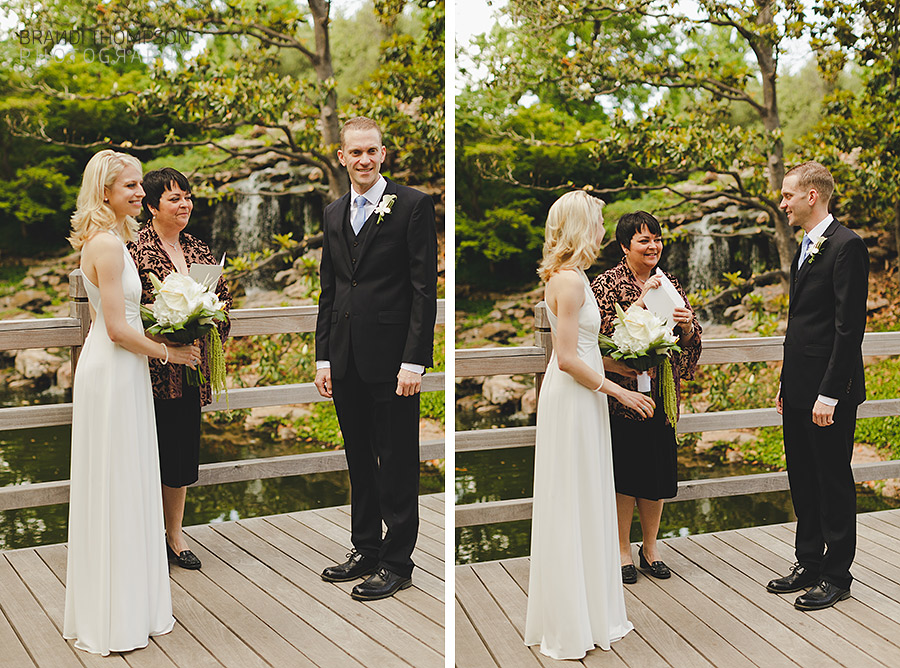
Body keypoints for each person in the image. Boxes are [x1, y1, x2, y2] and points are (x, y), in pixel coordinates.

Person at [64, 150, 199, 655]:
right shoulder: (106, 244)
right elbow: (119, 329)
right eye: (131, 187)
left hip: (125, 372)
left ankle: (129, 605)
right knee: (117, 483)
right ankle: (113, 616)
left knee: (127, 481)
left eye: (141, 186)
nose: (140, 194)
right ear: (105, 192)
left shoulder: (116, 239)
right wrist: (171, 352)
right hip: (114, 371)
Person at [524, 191, 655, 660]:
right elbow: (564, 359)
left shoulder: (574, 275)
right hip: (575, 400)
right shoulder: (570, 282)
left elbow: (585, 351)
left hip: (587, 397)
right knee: (572, 500)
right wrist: (620, 392)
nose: (602, 231)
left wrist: (626, 367)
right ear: (582, 227)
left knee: (586, 498)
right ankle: (571, 621)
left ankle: (591, 611)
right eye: (597, 223)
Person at [314, 117, 438, 601]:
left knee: (398, 461)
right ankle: (365, 548)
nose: (363, 159)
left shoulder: (412, 205)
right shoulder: (332, 213)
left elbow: (423, 291)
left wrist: (414, 361)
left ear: (382, 153)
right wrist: (323, 358)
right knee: (359, 458)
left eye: (371, 151)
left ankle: (397, 562)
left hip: (392, 364)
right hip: (344, 359)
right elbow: (330, 290)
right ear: (341, 157)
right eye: (354, 152)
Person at [767, 161, 868, 611]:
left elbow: (848, 330)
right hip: (799, 387)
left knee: (832, 480)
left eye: (788, 195)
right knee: (802, 478)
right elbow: (803, 325)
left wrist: (829, 391)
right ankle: (808, 562)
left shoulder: (847, 246)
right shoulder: (805, 246)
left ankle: (836, 574)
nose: (782, 202)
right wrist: (788, 383)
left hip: (831, 391)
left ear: (812, 196)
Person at [129, 167, 232, 570]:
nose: (185, 203)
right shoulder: (135, 249)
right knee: (143, 455)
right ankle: (141, 539)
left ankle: (174, 536)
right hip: (149, 369)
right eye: (174, 198)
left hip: (188, 368)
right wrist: (165, 333)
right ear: (152, 206)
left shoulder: (199, 248)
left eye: (187, 196)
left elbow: (223, 300)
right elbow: (130, 312)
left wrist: (207, 320)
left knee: (180, 456)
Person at [591, 211, 701, 584]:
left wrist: (686, 327)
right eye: (643, 240)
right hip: (620, 395)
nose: (652, 246)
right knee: (625, 472)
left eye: (656, 238)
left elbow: (691, 341)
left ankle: (650, 547)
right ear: (625, 246)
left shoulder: (669, 282)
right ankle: (622, 548)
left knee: (656, 471)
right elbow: (596, 340)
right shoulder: (606, 285)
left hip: (661, 392)